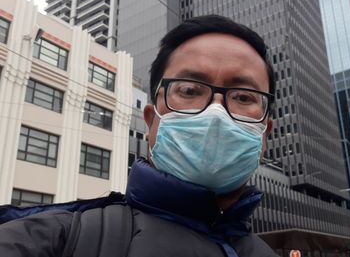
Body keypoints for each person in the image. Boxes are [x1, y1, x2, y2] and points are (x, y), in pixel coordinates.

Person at [0, 15, 277, 257]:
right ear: (151, 120)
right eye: (190, 91)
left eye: (243, 96)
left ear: (265, 134)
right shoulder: (49, 239)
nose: (216, 114)